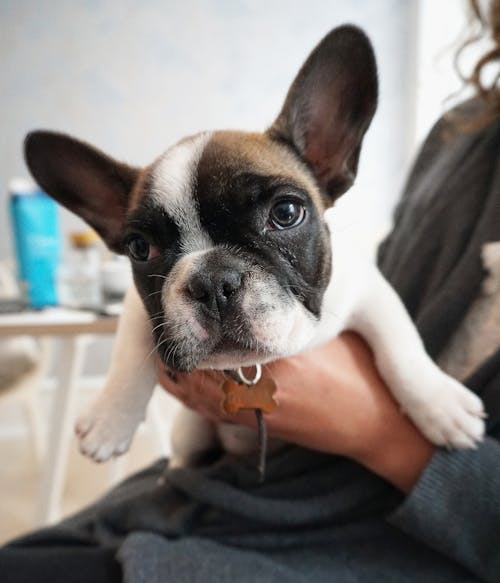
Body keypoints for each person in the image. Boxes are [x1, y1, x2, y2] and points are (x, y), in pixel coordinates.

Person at [1, 1, 499, 581]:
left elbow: (372, 296)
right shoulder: (461, 134)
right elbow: (143, 304)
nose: (214, 288)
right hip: (226, 467)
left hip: (380, 519)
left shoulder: (349, 270)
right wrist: (126, 397)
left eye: (282, 213)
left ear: (328, 160)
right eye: (145, 246)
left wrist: (406, 401)